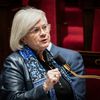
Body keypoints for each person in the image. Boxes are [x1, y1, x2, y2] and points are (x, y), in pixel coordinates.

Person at [1, 7, 85, 100]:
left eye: (44, 27)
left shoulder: (50, 57)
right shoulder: (14, 62)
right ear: (23, 37)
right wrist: (44, 87)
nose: (43, 33)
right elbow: (12, 98)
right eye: (36, 30)